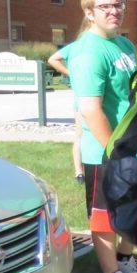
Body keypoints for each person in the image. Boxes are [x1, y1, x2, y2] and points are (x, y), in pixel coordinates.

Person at [69, 0, 137, 273]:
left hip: (131, 144)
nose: (114, 11)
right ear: (89, 13)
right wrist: (114, 152)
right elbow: (89, 109)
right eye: (105, 7)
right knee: (104, 217)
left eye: (118, 5)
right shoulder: (88, 52)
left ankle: (125, 260)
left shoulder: (123, 44)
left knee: (133, 205)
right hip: (105, 151)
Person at [47, 42, 86, 183]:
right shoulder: (76, 46)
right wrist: (71, 73)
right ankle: (79, 171)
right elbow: (52, 59)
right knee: (80, 135)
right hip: (82, 98)